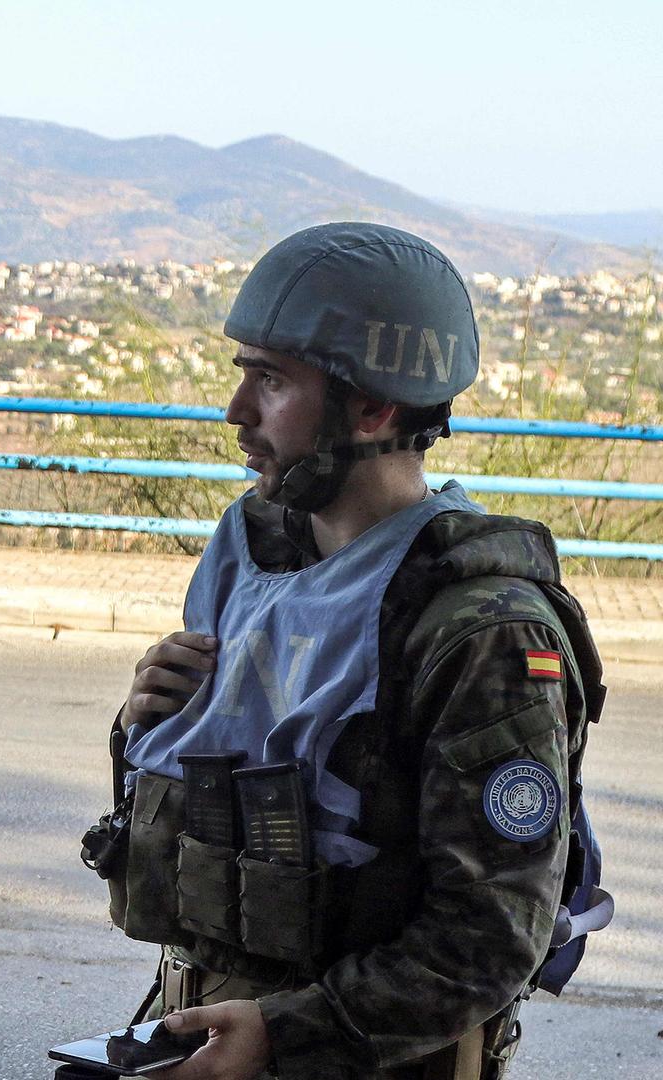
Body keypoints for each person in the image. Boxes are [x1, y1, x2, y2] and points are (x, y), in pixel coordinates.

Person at [93, 222, 609, 1080]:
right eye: (243, 375)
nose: (237, 414)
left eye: (272, 381)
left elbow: (488, 939)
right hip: (206, 1027)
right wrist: (146, 726)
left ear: (373, 408)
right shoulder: (260, 558)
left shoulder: (479, 629)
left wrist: (286, 1036)